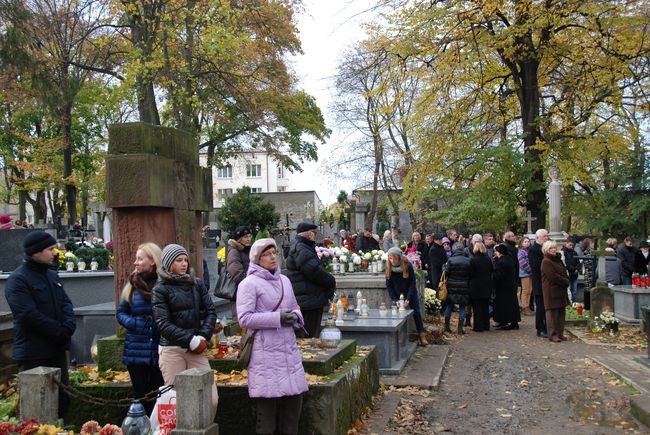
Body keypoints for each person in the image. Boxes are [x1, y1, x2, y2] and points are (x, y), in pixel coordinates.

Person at [237, 238, 308, 435]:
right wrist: (277, 318)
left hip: (288, 352)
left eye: (273, 253)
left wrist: (296, 317)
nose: (272, 257)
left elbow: (295, 306)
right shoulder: (248, 284)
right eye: (266, 254)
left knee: (292, 412)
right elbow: (245, 318)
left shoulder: (284, 280)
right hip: (264, 353)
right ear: (257, 259)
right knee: (267, 418)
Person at [5, 231, 75, 417]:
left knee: (62, 400)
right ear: (35, 252)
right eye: (50, 249)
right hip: (33, 352)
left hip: (56, 349)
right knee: (37, 404)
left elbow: (65, 303)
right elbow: (27, 314)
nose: (55, 253)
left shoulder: (52, 275)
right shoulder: (18, 280)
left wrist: (68, 325)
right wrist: (58, 331)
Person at [152, 244, 218, 419]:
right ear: (168, 263)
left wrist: (202, 336)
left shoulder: (196, 283)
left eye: (185, 260)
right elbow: (163, 323)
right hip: (172, 350)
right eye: (178, 260)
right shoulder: (160, 289)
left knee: (211, 399)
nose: (184, 264)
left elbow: (210, 312)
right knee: (177, 403)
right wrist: (190, 339)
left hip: (196, 349)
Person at [116, 243, 165, 415]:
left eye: (140, 258)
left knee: (158, 395)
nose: (135, 263)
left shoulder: (164, 284)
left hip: (159, 348)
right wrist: (135, 324)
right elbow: (121, 313)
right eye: (136, 259)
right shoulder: (132, 285)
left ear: (152, 261)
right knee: (140, 396)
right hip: (136, 350)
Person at [286, 222, 336, 338]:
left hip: (308, 297)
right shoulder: (301, 248)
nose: (314, 235)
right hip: (309, 299)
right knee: (310, 335)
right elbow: (313, 271)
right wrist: (331, 280)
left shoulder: (301, 246)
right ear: (309, 234)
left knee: (308, 333)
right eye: (313, 233)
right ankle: (309, 356)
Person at [386, 247, 427, 345]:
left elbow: (412, 284)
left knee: (416, 312)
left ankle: (422, 335)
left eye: (395, 258)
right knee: (398, 315)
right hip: (396, 295)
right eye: (391, 259)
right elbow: (389, 286)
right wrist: (395, 300)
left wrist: (408, 298)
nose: (393, 261)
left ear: (399, 258)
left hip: (409, 293)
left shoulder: (407, 266)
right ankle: (402, 336)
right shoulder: (389, 268)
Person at [541, 240, 570, 343]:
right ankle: (552, 334)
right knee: (552, 314)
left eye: (554, 247)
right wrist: (565, 281)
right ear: (546, 250)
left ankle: (560, 333)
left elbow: (563, 271)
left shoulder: (558, 259)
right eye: (550, 248)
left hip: (561, 289)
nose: (553, 250)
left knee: (561, 313)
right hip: (551, 290)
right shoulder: (546, 261)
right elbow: (553, 276)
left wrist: (566, 279)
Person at [442, 248, 471, 334]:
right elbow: (471, 273)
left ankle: (446, 327)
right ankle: (460, 329)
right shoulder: (468, 260)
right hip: (464, 285)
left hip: (452, 285)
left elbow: (446, 272)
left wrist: (443, 267)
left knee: (449, 305)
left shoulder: (450, 260)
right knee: (462, 306)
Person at [226, 225, 253, 317]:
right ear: (239, 239)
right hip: (239, 292)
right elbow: (236, 273)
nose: (248, 239)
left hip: (249, 291)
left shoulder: (248, 250)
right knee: (240, 321)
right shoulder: (234, 252)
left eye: (249, 236)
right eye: (245, 237)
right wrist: (251, 284)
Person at [493, 244, 521, 330]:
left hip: (503, 287)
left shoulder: (502, 261)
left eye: (496, 251)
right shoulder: (508, 259)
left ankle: (504, 321)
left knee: (504, 305)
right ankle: (513, 321)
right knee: (511, 304)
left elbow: (499, 275)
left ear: (500, 252)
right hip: (510, 285)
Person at [468, 242, 493, 332]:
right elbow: (491, 271)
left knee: (477, 307)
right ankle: (486, 325)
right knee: (485, 306)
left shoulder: (473, 260)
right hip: (486, 285)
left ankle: (478, 326)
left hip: (476, 286)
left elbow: (471, 273)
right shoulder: (488, 259)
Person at [529, 229, 548, 337]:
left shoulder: (545, 249)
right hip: (539, 282)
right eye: (544, 236)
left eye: (547, 236)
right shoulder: (534, 250)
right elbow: (535, 266)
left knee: (545, 306)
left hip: (546, 283)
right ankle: (540, 328)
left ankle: (546, 326)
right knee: (540, 306)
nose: (546, 238)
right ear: (537, 238)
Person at [517, 237, 534, 316]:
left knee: (530, 290)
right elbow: (522, 263)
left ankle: (528, 307)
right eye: (525, 242)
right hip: (525, 273)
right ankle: (524, 307)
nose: (527, 243)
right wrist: (530, 270)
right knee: (525, 290)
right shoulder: (521, 252)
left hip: (530, 273)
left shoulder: (529, 251)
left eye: (528, 241)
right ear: (521, 243)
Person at [562, 238, 580, 303]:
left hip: (574, 275)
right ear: (566, 243)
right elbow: (567, 263)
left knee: (574, 292)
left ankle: (574, 304)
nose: (571, 247)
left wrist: (577, 268)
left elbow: (578, 262)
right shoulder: (563, 252)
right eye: (570, 245)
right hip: (568, 274)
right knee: (568, 291)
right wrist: (574, 269)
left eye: (572, 245)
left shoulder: (574, 253)